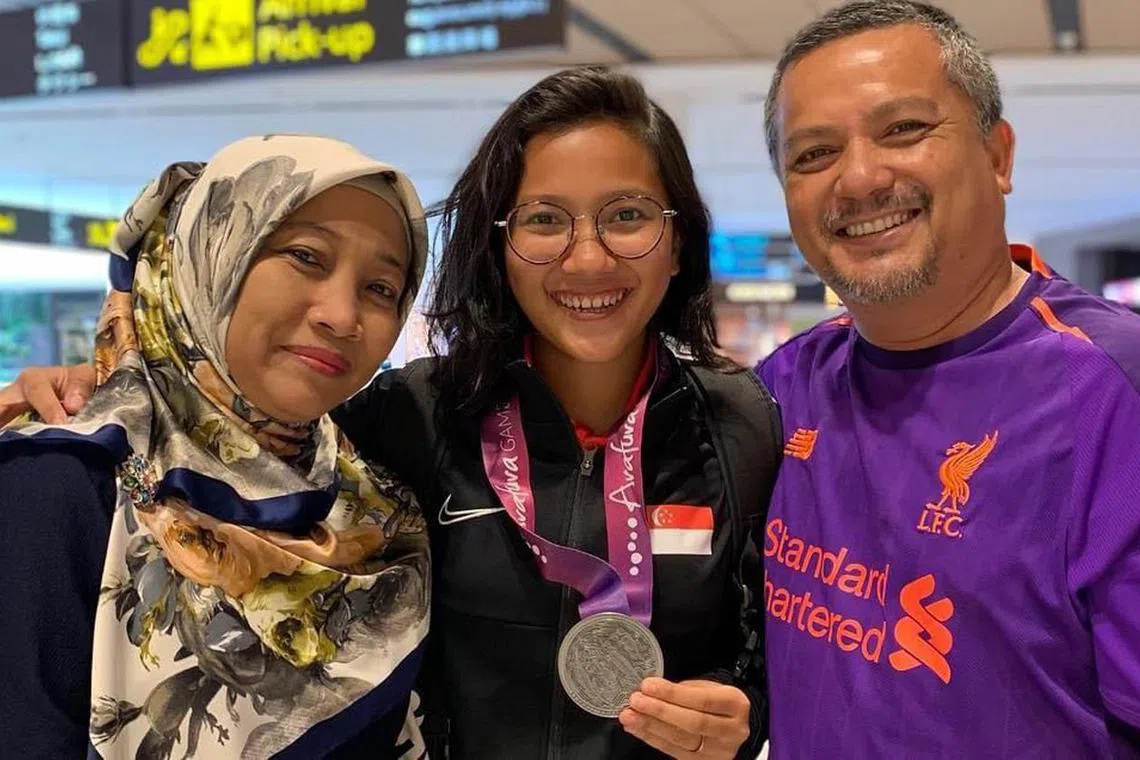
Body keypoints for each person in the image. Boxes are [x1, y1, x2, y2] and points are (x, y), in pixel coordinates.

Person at [0, 67, 780, 760]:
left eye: (628, 215)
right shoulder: (412, 418)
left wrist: (742, 713)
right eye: (544, 220)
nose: (586, 258)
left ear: (678, 242)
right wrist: (109, 392)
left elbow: (768, 642)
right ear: (499, 251)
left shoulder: (741, 424)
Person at [757, 1, 1140, 757]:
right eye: (813, 155)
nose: (859, 177)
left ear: (998, 156)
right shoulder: (783, 386)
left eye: (903, 129)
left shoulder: (1113, 397)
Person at [0, 134, 432, 759]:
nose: (343, 314)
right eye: (307, 257)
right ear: (205, 260)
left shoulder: (379, 513)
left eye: (381, 288)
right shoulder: (57, 486)